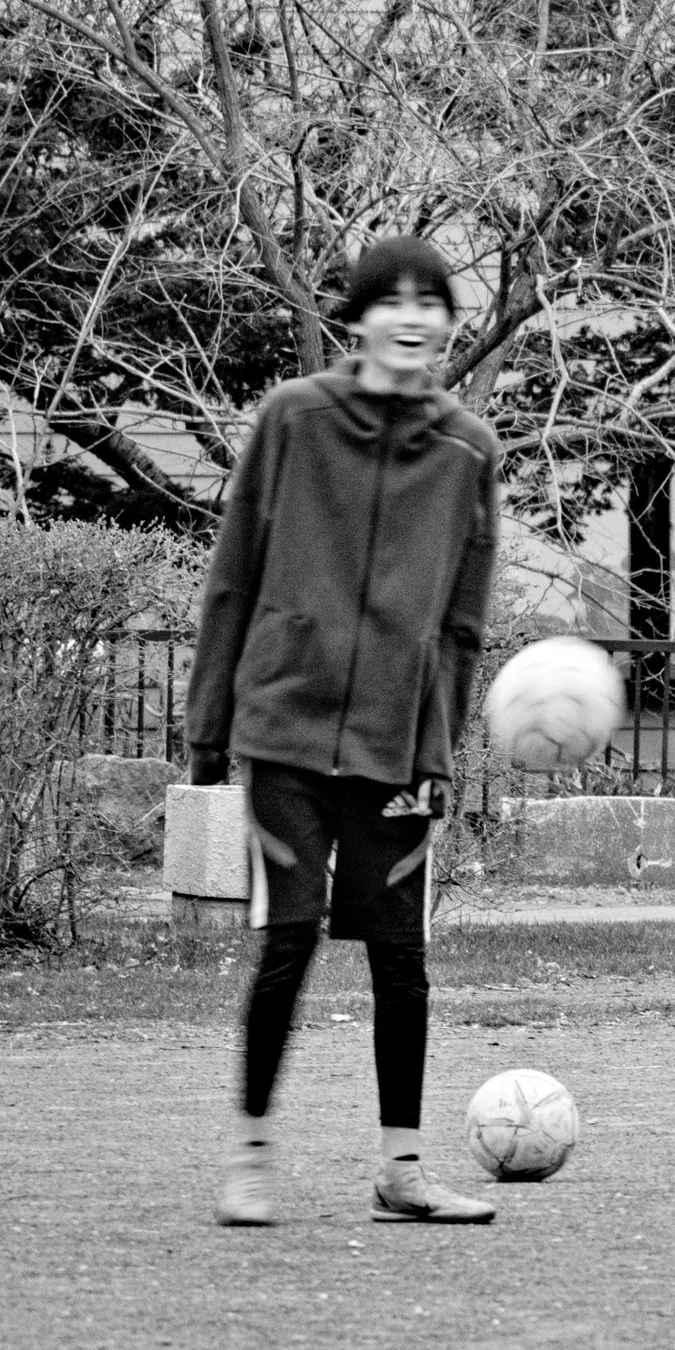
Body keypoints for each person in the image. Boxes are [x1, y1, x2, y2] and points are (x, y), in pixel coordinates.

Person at [186, 235, 502, 1229]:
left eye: (432, 302)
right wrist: (209, 729)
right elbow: (233, 574)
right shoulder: (292, 420)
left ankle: (402, 1170)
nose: (413, 317)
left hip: (397, 745)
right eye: (391, 300)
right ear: (355, 319)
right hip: (283, 727)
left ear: (448, 324)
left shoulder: (467, 452)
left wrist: (438, 755)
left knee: (401, 953)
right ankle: (249, 1154)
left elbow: (461, 626)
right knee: (288, 937)